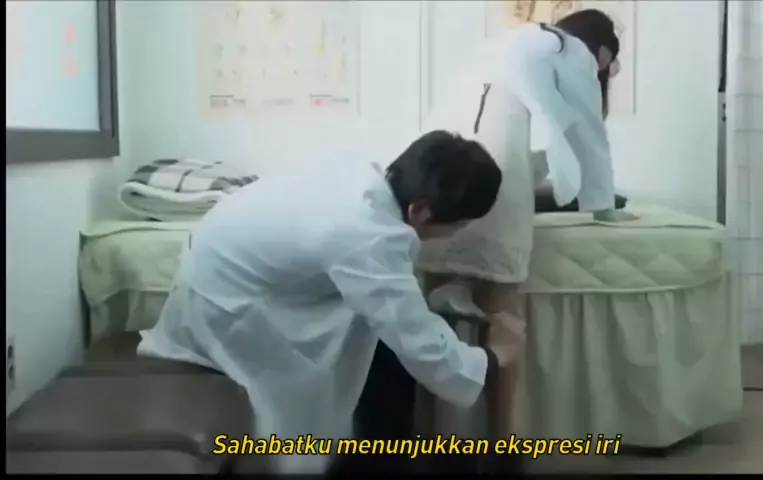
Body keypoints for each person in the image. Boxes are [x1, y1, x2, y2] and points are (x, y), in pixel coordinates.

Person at [136, 130, 516, 474]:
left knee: (377, 346)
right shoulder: (368, 233)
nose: (453, 237)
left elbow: (394, 300)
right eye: (457, 227)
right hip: (226, 304)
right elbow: (419, 341)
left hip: (222, 269)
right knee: (308, 398)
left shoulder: (356, 171)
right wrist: (494, 358)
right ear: (420, 210)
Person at [416, 8, 638, 463]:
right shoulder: (571, 51)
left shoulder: (507, 42)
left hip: (438, 158)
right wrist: (604, 209)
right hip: (495, 162)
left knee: (438, 327)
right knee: (505, 318)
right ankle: (503, 445)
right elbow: (589, 135)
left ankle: (443, 446)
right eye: (609, 61)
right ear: (599, 49)